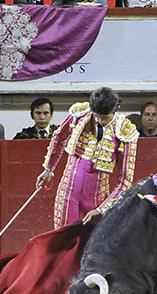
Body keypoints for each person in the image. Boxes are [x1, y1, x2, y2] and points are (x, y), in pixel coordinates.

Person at [36, 87, 139, 228]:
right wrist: (49, 168)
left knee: (93, 240)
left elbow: (125, 181)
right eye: (97, 116)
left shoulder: (125, 131)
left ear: (117, 109)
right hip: (68, 189)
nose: (100, 121)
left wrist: (102, 209)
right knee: (63, 237)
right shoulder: (81, 113)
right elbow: (59, 137)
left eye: (105, 118)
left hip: (97, 197)